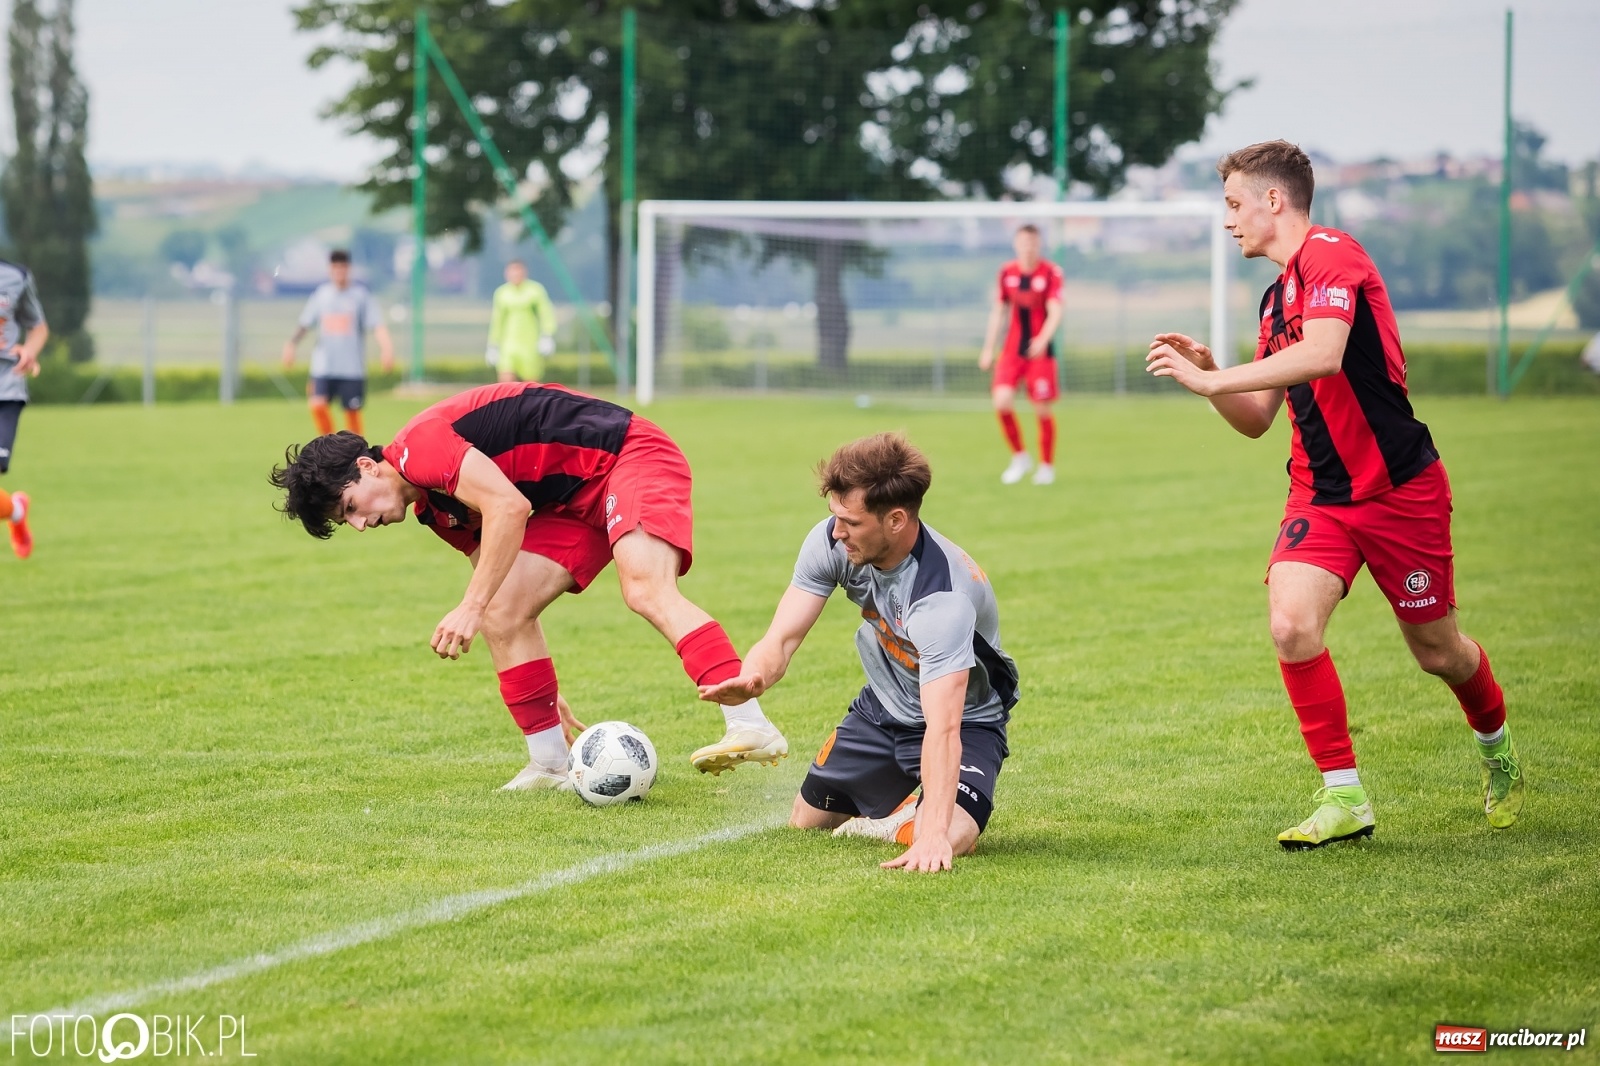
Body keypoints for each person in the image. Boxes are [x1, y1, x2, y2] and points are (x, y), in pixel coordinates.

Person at [1145, 140, 1524, 849]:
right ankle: (1344, 796)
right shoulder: (1275, 296)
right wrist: (1215, 372)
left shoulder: (1332, 255)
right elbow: (1259, 420)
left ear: (1273, 200)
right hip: (1320, 496)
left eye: (1234, 205)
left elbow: (1323, 353)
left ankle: (1495, 742)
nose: (1229, 222)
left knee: (1439, 652)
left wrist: (1210, 381)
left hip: (1400, 491)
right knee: (1291, 626)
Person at [269, 380, 788, 789]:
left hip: (628, 456)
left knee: (645, 589)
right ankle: (549, 764)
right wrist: (538, 690)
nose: (360, 525)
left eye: (351, 508)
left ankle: (750, 722)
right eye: (347, 522)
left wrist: (469, 607)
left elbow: (509, 507)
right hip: (572, 499)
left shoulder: (418, 450)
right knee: (503, 612)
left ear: (366, 467)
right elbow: (495, 572)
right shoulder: (433, 509)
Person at [700, 433, 1018, 874]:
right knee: (806, 821)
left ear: (896, 520)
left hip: (965, 721)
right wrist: (754, 679)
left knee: (945, 837)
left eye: (851, 520)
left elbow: (944, 728)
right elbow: (782, 639)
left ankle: (917, 813)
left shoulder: (941, 600)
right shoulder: (833, 542)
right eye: (834, 515)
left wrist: (930, 838)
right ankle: (901, 804)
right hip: (884, 709)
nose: (836, 530)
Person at [978, 224, 1064, 486]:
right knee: (1001, 401)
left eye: (1033, 242)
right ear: (1017, 244)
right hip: (1012, 350)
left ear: (1039, 245)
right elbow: (999, 312)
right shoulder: (1007, 272)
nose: (1028, 247)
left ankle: (1047, 466)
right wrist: (988, 348)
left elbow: (1056, 310)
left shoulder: (1050, 272)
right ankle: (1020, 456)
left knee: (1041, 409)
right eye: (1024, 242)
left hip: (1040, 353)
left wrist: (1042, 339)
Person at [282, 249, 395, 438]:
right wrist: (291, 344)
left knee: (352, 414)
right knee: (317, 405)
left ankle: (355, 454)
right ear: (330, 269)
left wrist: (387, 348)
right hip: (324, 366)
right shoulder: (321, 295)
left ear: (348, 269)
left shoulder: (360, 296)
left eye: (343, 267)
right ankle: (329, 446)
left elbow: (377, 325)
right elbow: (305, 324)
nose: (339, 272)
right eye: (335, 267)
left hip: (351, 368)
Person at [0, 258, 49, 560]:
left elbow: (38, 327)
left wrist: (29, 351)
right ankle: (17, 510)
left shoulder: (15, 276)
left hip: (5, 387)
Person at [487, 259, 557, 384]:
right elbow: (497, 320)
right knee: (505, 382)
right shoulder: (502, 293)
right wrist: (493, 344)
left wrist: (547, 335)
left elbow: (545, 313)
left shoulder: (535, 290)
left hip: (530, 344)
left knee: (531, 384)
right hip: (508, 345)